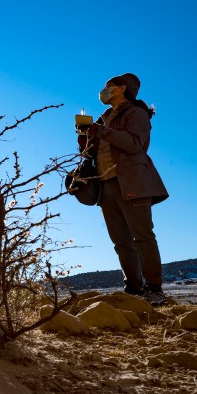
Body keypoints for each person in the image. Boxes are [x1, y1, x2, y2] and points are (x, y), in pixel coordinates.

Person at [79, 73, 170, 305]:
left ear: (121, 89)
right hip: (105, 185)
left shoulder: (136, 113)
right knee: (121, 241)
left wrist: (101, 131)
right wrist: (85, 138)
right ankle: (133, 290)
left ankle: (155, 291)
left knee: (143, 237)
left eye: (107, 86)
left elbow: (135, 144)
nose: (103, 90)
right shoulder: (103, 117)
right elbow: (92, 152)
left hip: (133, 183)